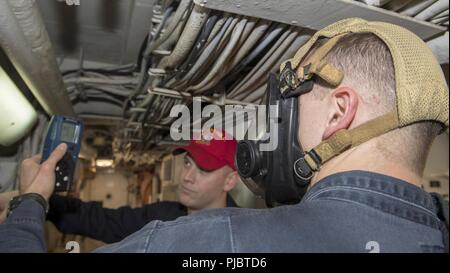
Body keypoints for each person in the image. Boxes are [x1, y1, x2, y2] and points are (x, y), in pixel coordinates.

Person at [0, 18, 448, 253]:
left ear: (339, 111)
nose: (281, 119)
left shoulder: (217, 242)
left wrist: (29, 203)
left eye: (294, 96)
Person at [0, 131, 239, 244]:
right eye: (187, 163)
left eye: (204, 169)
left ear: (230, 181)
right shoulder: (163, 215)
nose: (187, 177)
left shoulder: (242, 237)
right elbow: (102, 220)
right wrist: (40, 200)